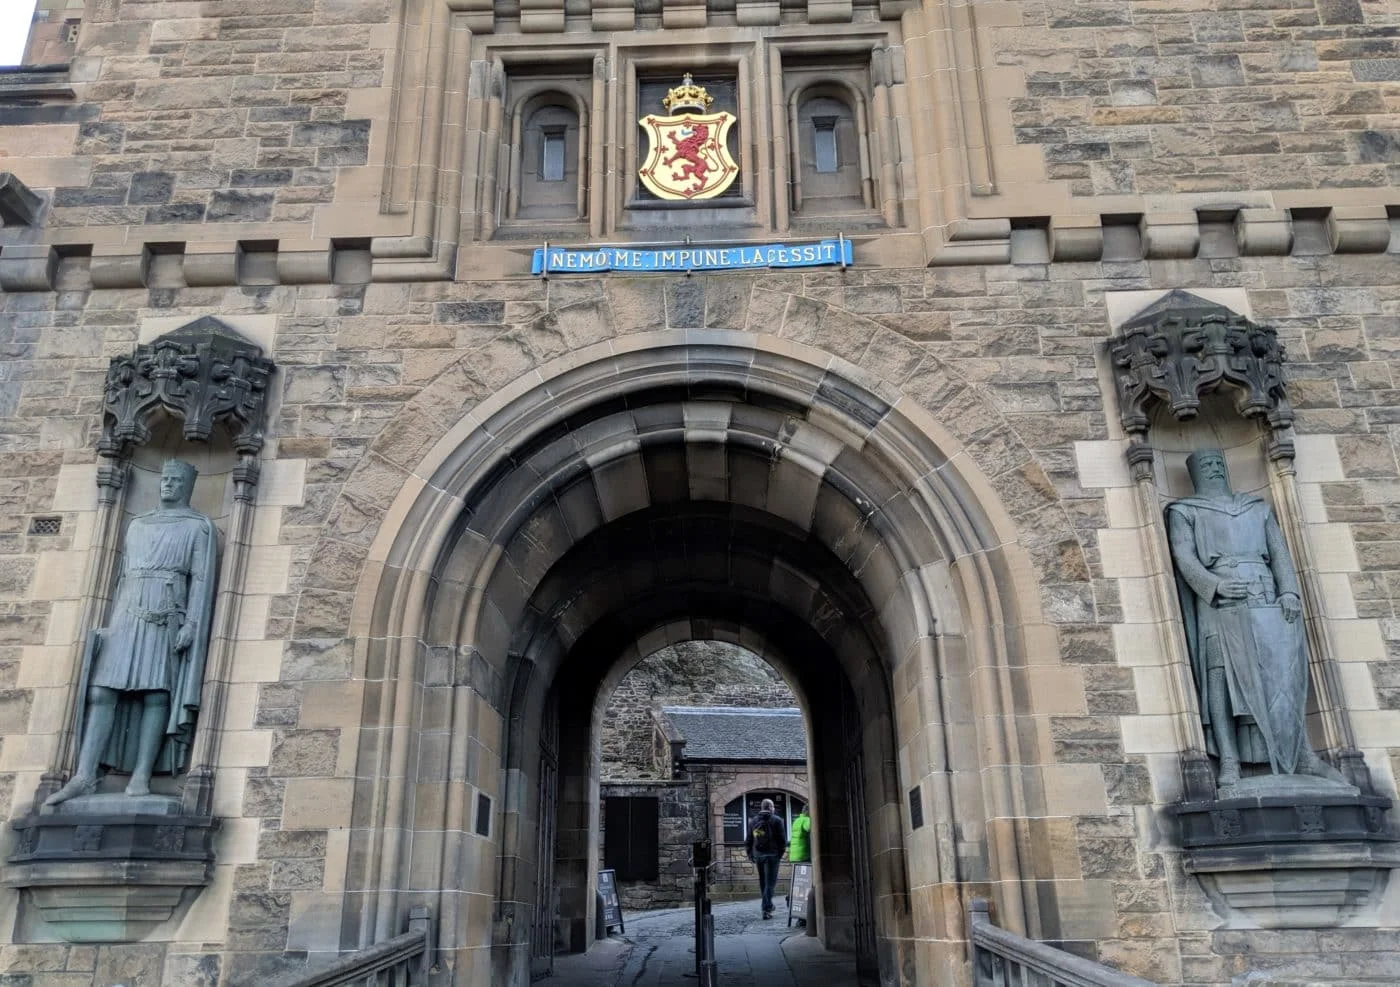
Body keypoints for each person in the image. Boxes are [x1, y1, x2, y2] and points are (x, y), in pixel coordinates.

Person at [1166, 449, 1344, 789]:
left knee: (1283, 677)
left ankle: (1302, 753)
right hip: (1220, 604)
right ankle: (1229, 762)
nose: (1214, 467)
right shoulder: (1185, 511)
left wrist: (1289, 592)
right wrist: (1215, 584)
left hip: (1266, 599)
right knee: (1220, 679)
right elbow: (1184, 555)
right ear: (1195, 473)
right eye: (1207, 464)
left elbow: (1279, 554)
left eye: (1218, 462)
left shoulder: (1257, 509)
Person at [46, 460, 218, 806]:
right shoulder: (137, 525)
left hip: (165, 614)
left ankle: (141, 777)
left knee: (156, 695)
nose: (168, 484)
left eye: (176, 480)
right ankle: (84, 774)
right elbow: (119, 576)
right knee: (102, 692)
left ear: (188, 485)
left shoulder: (198, 526)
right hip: (126, 612)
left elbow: (200, 580)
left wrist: (193, 624)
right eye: (165, 478)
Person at [745, 798, 787, 919]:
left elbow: (748, 840)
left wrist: (750, 855)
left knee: (763, 882)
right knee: (770, 883)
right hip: (772, 856)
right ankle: (766, 908)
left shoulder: (753, 821)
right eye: (773, 806)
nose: (774, 808)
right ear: (769, 807)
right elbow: (782, 840)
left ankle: (768, 905)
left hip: (758, 856)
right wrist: (779, 854)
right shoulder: (777, 820)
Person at [786, 804, 812, 925]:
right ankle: (803, 917)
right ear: (808, 812)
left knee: (798, 884)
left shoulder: (797, 820)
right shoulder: (806, 820)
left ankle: (791, 898)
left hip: (794, 856)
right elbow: (810, 828)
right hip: (804, 855)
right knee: (805, 885)